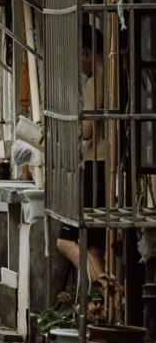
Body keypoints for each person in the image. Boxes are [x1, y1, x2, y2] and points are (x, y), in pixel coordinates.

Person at [56, 24, 106, 287]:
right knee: (95, 246)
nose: (79, 65)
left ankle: (109, 291)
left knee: (66, 241)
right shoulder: (116, 76)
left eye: (78, 56)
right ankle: (101, 311)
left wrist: (59, 129)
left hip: (97, 169)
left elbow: (85, 131)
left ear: (85, 52)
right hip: (111, 169)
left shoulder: (95, 80)